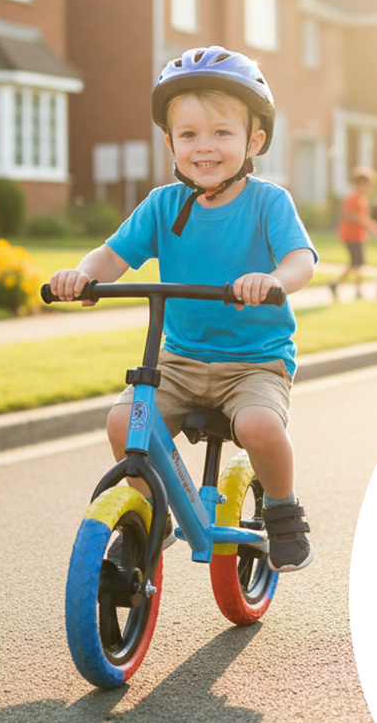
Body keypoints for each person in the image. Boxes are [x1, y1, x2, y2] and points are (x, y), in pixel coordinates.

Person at [49, 47, 318, 572]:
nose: (205, 147)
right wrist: (83, 277)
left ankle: (283, 509)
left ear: (253, 140)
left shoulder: (269, 202)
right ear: (170, 143)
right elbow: (111, 255)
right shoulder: (162, 204)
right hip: (180, 357)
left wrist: (274, 279)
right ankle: (148, 512)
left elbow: (301, 261)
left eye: (221, 133)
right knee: (124, 421)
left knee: (262, 427)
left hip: (254, 359)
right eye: (189, 135)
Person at [329, 166, 377, 301]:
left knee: (358, 264)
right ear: (360, 184)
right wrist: (369, 223)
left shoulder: (361, 198)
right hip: (350, 235)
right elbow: (351, 215)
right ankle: (335, 283)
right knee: (355, 263)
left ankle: (357, 290)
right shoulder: (352, 198)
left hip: (358, 235)